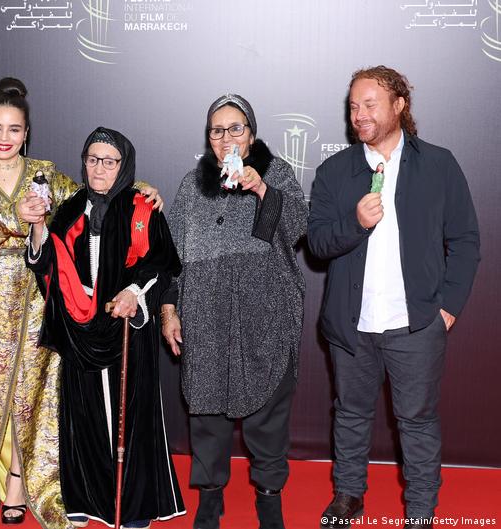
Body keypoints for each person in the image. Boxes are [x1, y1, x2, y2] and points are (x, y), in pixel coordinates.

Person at [0, 79, 164, 528]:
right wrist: (14, 217)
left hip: (35, 313)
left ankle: (20, 490)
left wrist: (135, 185)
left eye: (14, 129)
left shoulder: (46, 175)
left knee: (31, 401)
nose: (4, 138)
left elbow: (92, 193)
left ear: (27, 133)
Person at [308, 66, 479, 529]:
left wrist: (446, 309)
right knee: (350, 414)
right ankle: (348, 496)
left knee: (418, 422)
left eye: (369, 104)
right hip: (352, 324)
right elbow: (318, 244)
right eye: (353, 106)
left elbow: (464, 240)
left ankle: (421, 511)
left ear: (399, 105)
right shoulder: (334, 171)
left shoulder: (439, 165)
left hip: (416, 323)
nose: (358, 114)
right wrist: (355, 224)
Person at [23, 127, 184, 529]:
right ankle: (88, 499)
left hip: (129, 322)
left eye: (109, 161)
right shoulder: (72, 206)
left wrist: (132, 290)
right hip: (80, 327)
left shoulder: (142, 206)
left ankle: (132, 506)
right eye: (92, 159)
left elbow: (162, 261)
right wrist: (38, 227)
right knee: (85, 416)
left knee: (130, 416)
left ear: (123, 165)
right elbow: (48, 263)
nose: (99, 168)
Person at [160, 94, 308, 529]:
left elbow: (299, 227)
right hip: (205, 317)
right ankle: (210, 497)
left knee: (268, 418)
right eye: (217, 130)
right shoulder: (191, 185)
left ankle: (268, 495)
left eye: (236, 129)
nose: (227, 138)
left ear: (253, 133)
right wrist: (170, 309)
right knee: (206, 414)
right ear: (208, 138)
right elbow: (172, 256)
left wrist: (260, 187)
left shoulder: (276, 173)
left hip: (267, 316)